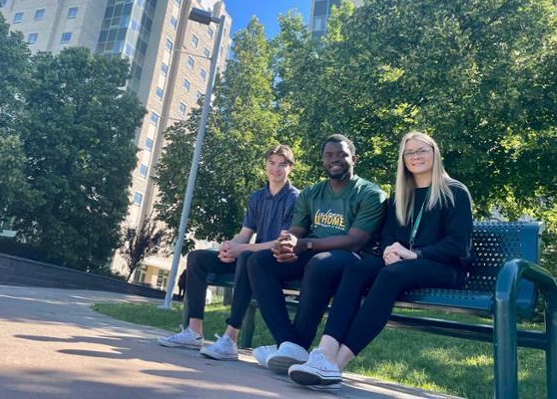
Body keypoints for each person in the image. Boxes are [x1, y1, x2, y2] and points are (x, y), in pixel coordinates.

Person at [287, 131, 473, 392]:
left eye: (422, 150)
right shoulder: (401, 194)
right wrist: (388, 251)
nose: (416, 156)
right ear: (404, 159)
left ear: (435, 153)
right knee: (356, 269)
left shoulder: (454, 192)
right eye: (410, 152)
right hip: (404, 264)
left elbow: (458, 245)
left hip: (445, 266)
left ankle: (337, 366)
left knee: (390, 275)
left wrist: (415, 254)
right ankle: (324, 352)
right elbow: (387, 237)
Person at [248, 135, 387, 375]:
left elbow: (356, 241)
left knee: (319, 263)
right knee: (259, 261)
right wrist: (286, 245)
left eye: (341, 155)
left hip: (351, 258)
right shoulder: (311, 194)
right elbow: (296, 232)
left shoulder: (370, 193)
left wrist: (306, 245)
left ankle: (297, 345)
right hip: (312, 251)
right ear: (323, 160)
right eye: (329, 155)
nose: (335, 160)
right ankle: (287, 342)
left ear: (353, 159)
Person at [157, 144, 300, 360]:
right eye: (272, 163)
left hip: (272, 262)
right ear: (265, 165)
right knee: (198, 258)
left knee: (246, 256)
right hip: (249, 254)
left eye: (282, 164)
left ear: (290, 168)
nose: (276, 169)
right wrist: (228, 248)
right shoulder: (257, 197)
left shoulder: (296, 198)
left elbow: (280, 243)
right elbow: (244, 234)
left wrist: (240, 249)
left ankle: (230, 339)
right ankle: (194, 331)